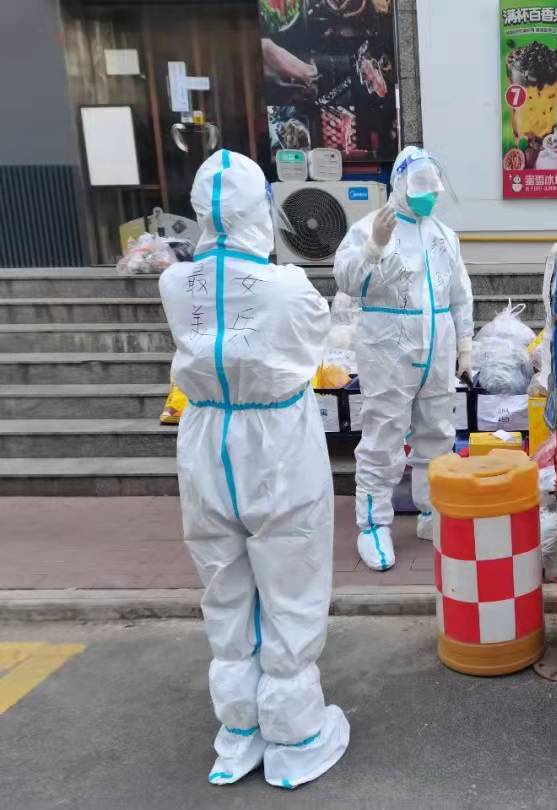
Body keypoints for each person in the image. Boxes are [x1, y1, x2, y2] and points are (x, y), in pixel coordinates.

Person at [160, 150, 349, 789]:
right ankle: (296, 736)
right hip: (275, 441)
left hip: (205, 436)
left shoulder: (173, 282)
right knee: (291, 579)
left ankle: (239, 730)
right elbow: (312, 341)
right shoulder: (288, 287)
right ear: (259, 210)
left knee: (223, 585)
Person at [334, 146, 473, 571]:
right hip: (387, 350)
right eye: (420, 189)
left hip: (437, 349)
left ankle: (433, 512)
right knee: (383, 438)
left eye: (432, 190)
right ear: (400, 185)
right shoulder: (370, 228)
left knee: (437, 434)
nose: (427, 197)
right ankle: (373, 526)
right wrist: (374, 247)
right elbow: (346, 281)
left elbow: (459, 294)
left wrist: (465, 344)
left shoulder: (444, 235)